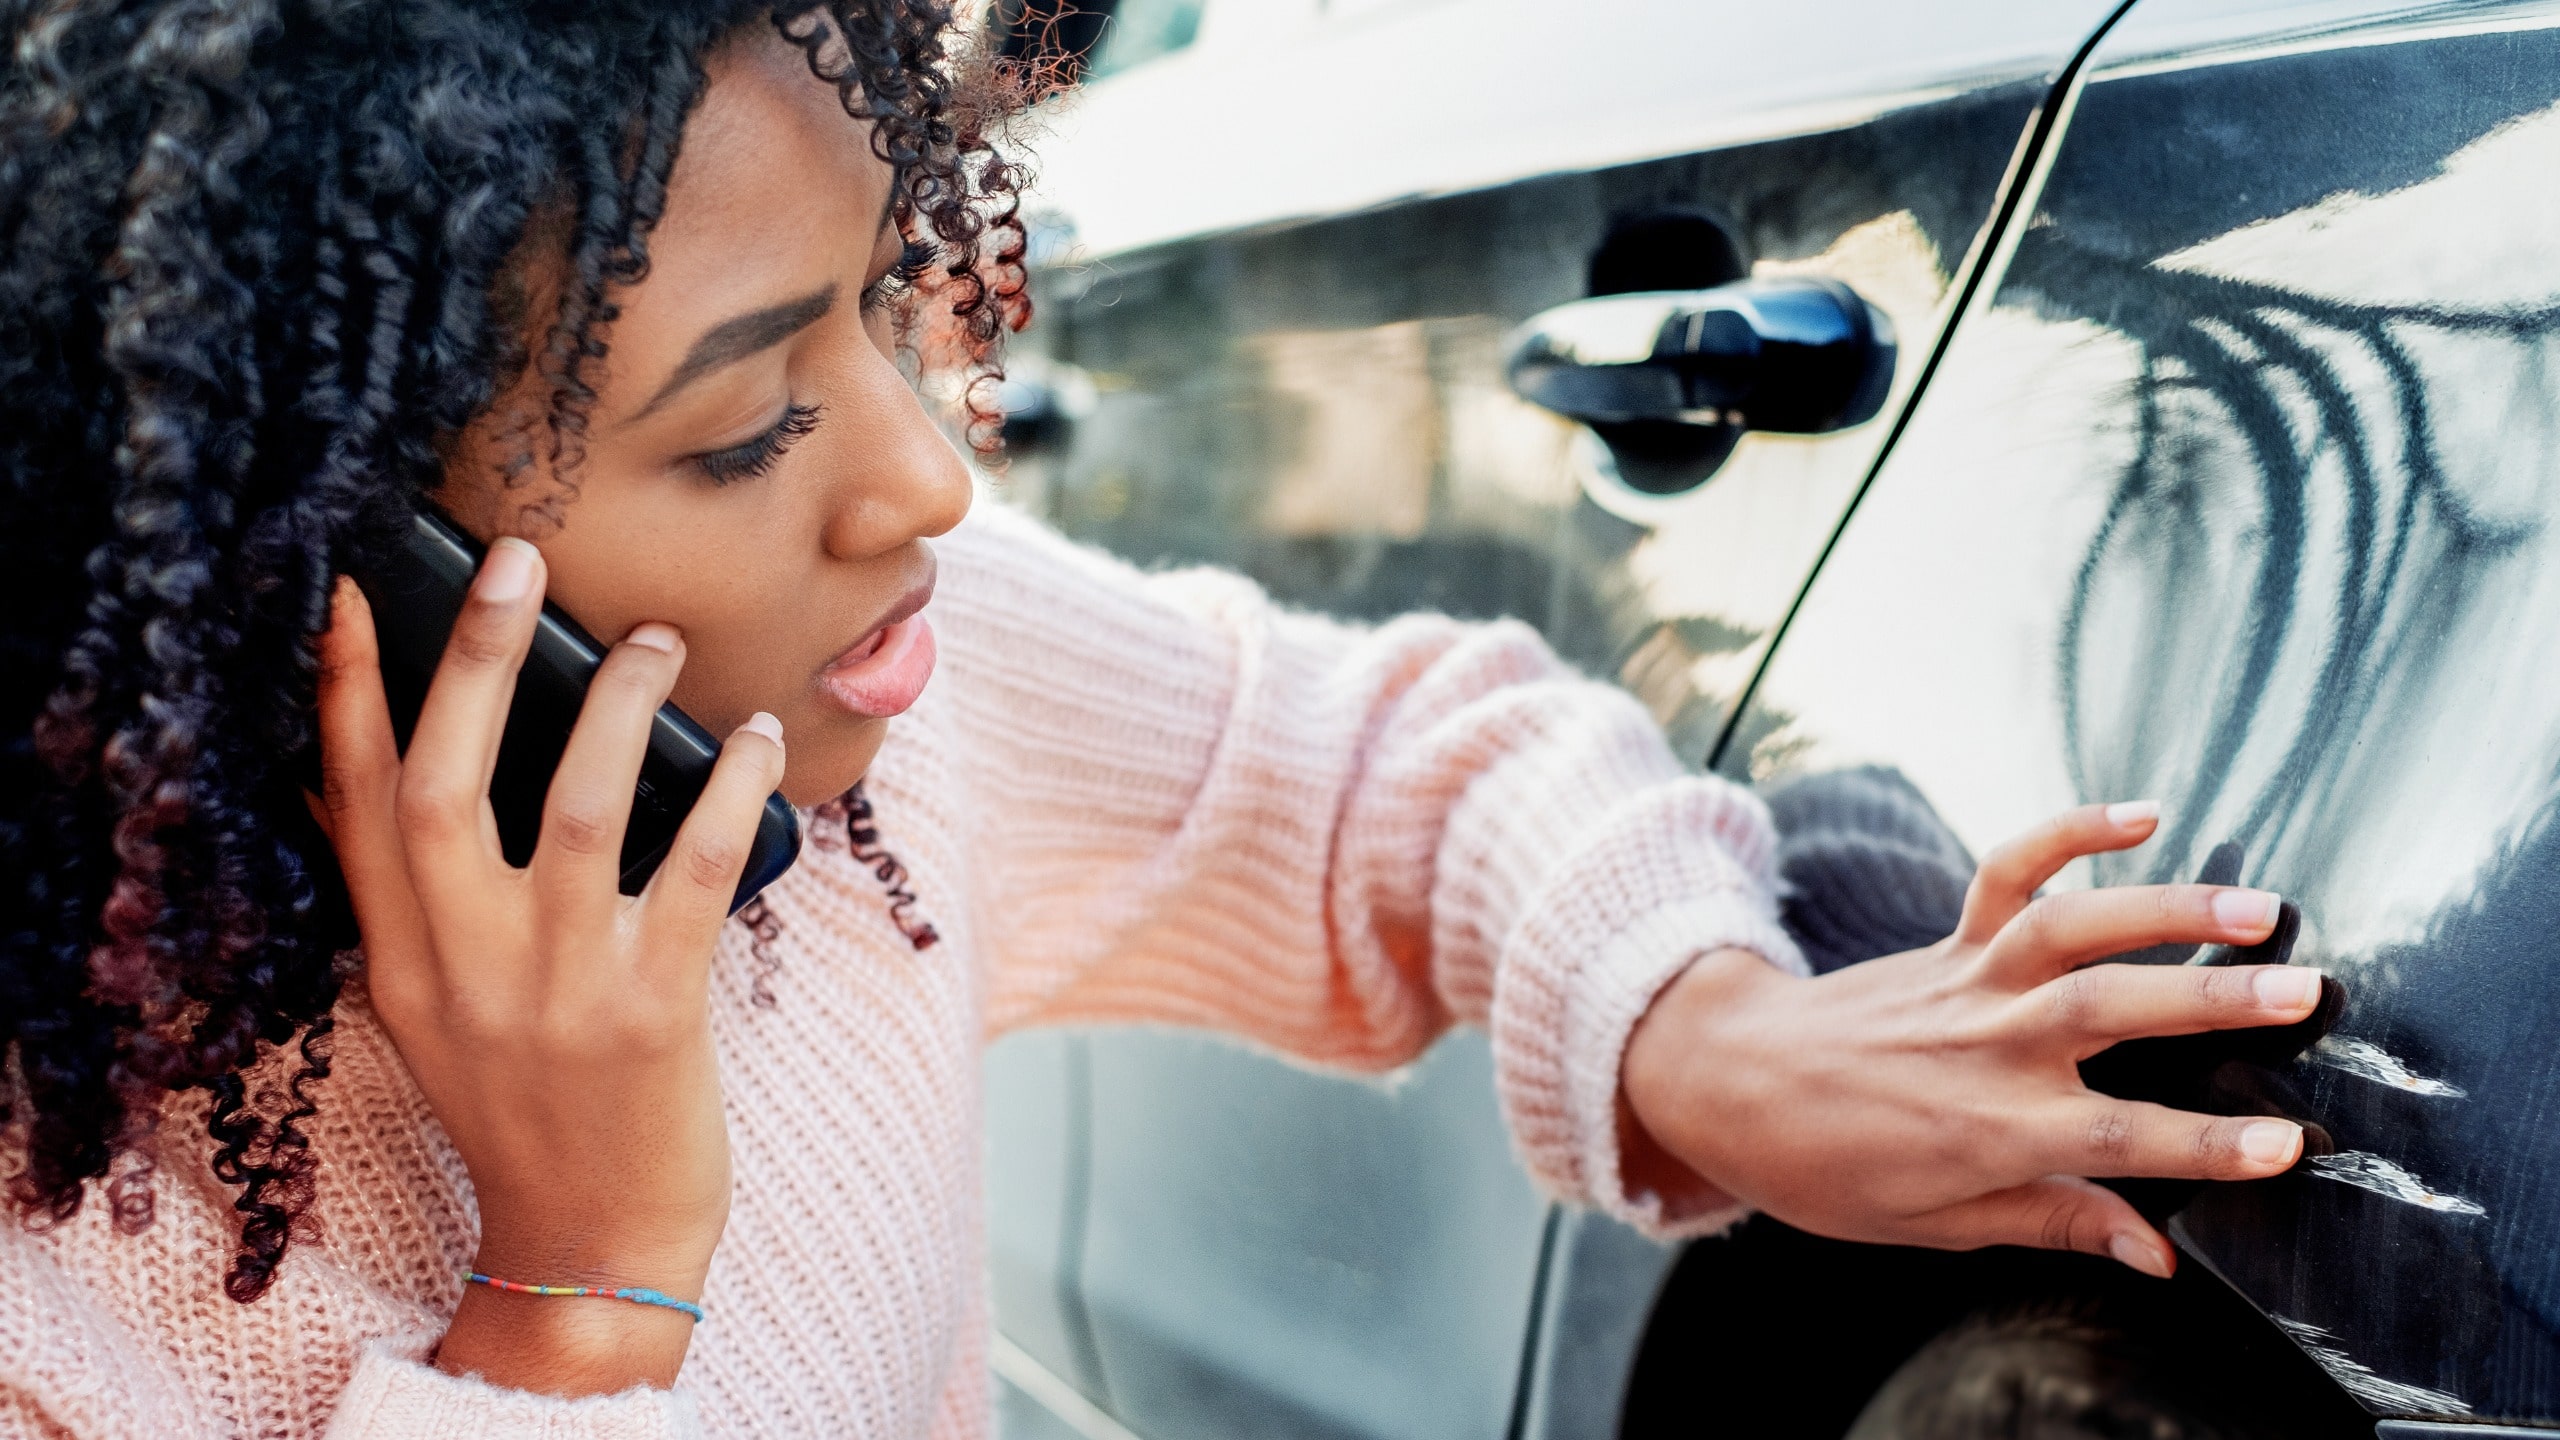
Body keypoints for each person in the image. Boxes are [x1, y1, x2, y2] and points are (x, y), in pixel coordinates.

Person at [0, 3, 2328, 1435]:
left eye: (882, 328)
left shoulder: (894, 709)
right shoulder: (64, 1256)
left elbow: (1387, 773)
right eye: (744, 435)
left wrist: (1694, 1030)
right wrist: (575, 1296)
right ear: (297, 570)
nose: (927, 477)